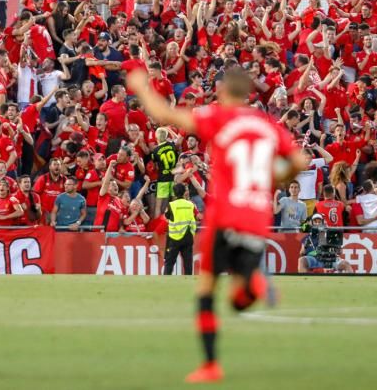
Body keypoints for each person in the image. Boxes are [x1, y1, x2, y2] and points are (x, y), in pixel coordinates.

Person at [126, 66, 308, 384]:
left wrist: (141, 86)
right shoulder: (268, 126)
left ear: (223, 92)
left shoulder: (218, 116)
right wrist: (275, 177)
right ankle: (252, 281)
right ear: (249, 95)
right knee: (239, 299)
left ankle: (211, 364)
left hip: (224, 213)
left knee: (207, 289)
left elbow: (163, 114)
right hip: (256, 216)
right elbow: (299, 162)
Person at [163, 183, 198, 275]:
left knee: (169, 262)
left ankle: (165, 282)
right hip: (188, 236)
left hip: (174, 237)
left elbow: (166, 216)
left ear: (174, 193)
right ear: (184, 192)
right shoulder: (191, 205)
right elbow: (195, 217)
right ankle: (188, 283)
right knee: (188, 263)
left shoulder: (171, 205)